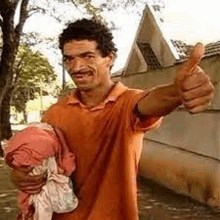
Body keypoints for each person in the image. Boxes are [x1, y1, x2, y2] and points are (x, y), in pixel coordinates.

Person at [10, 18, 214, 220]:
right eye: (69, 59)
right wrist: (20, 177)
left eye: (87, 56)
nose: (77, 67)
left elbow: (151, 101)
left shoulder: (126, 104)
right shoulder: (54, 113)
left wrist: (177, 92)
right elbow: (40, 164)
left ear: (110, 58)